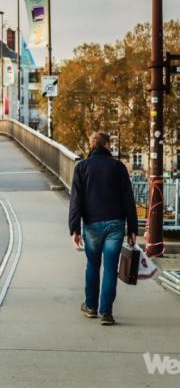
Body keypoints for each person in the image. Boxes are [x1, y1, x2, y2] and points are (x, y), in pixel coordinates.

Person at [69, 132, 138, 326]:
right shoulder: (118, 167)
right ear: (107, 145)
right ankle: (106, 313)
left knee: (92, 265)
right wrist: (133, 228)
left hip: (91, 224)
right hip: (115, 224)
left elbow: (76, 199)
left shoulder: (81, 167)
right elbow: (128, 199)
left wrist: (74, 227)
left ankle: (91, 307)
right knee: (110, 268)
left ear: (92, 146)